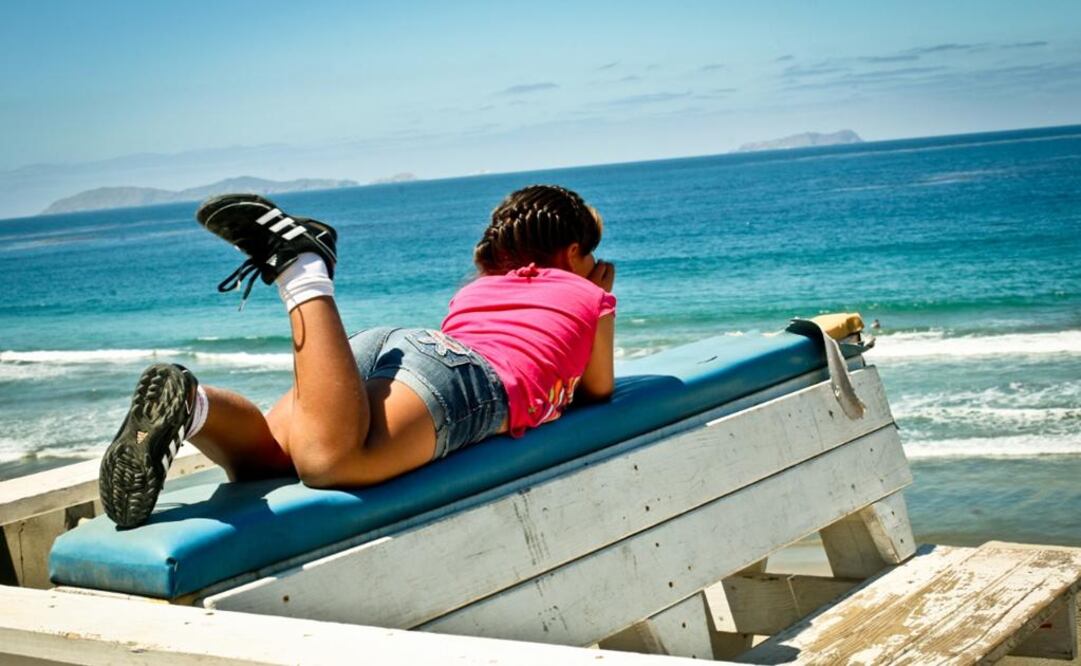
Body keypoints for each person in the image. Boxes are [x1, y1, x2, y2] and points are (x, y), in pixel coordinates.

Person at [99, 185, 617, 527]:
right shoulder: (592, 295)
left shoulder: (478, 291)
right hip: (472, 380)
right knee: (333, 463)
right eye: (590, 252)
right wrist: (600, 296)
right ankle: (303, 269)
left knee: (275, 463)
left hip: (395, 347)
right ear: (573, 251)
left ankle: (195, 405)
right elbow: (598, 390)